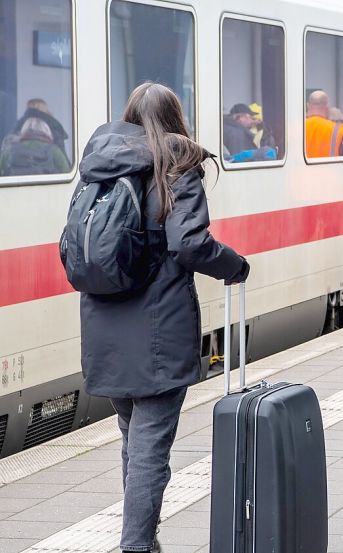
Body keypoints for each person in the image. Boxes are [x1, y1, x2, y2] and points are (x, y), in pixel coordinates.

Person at [78, 83, 249, 553]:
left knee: (135, 442)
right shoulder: (177, 164)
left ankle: (144, 541)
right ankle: (135, 546)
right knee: (151, 449)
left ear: (129, 115)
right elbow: (189, 243)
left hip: (105, 325)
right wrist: (234, 265)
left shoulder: (99, 165)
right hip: (157, 330)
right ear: (176, 118)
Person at [0, 116, 71, 176]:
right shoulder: (55, 151)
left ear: (24, 131)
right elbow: (66, 172)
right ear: (47, 131)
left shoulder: (10, 150)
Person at [305, 90, 343, 158]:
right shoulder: (338, 130)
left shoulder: (297, 128)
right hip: (331, 168)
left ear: (308, 105)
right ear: (327, 107)